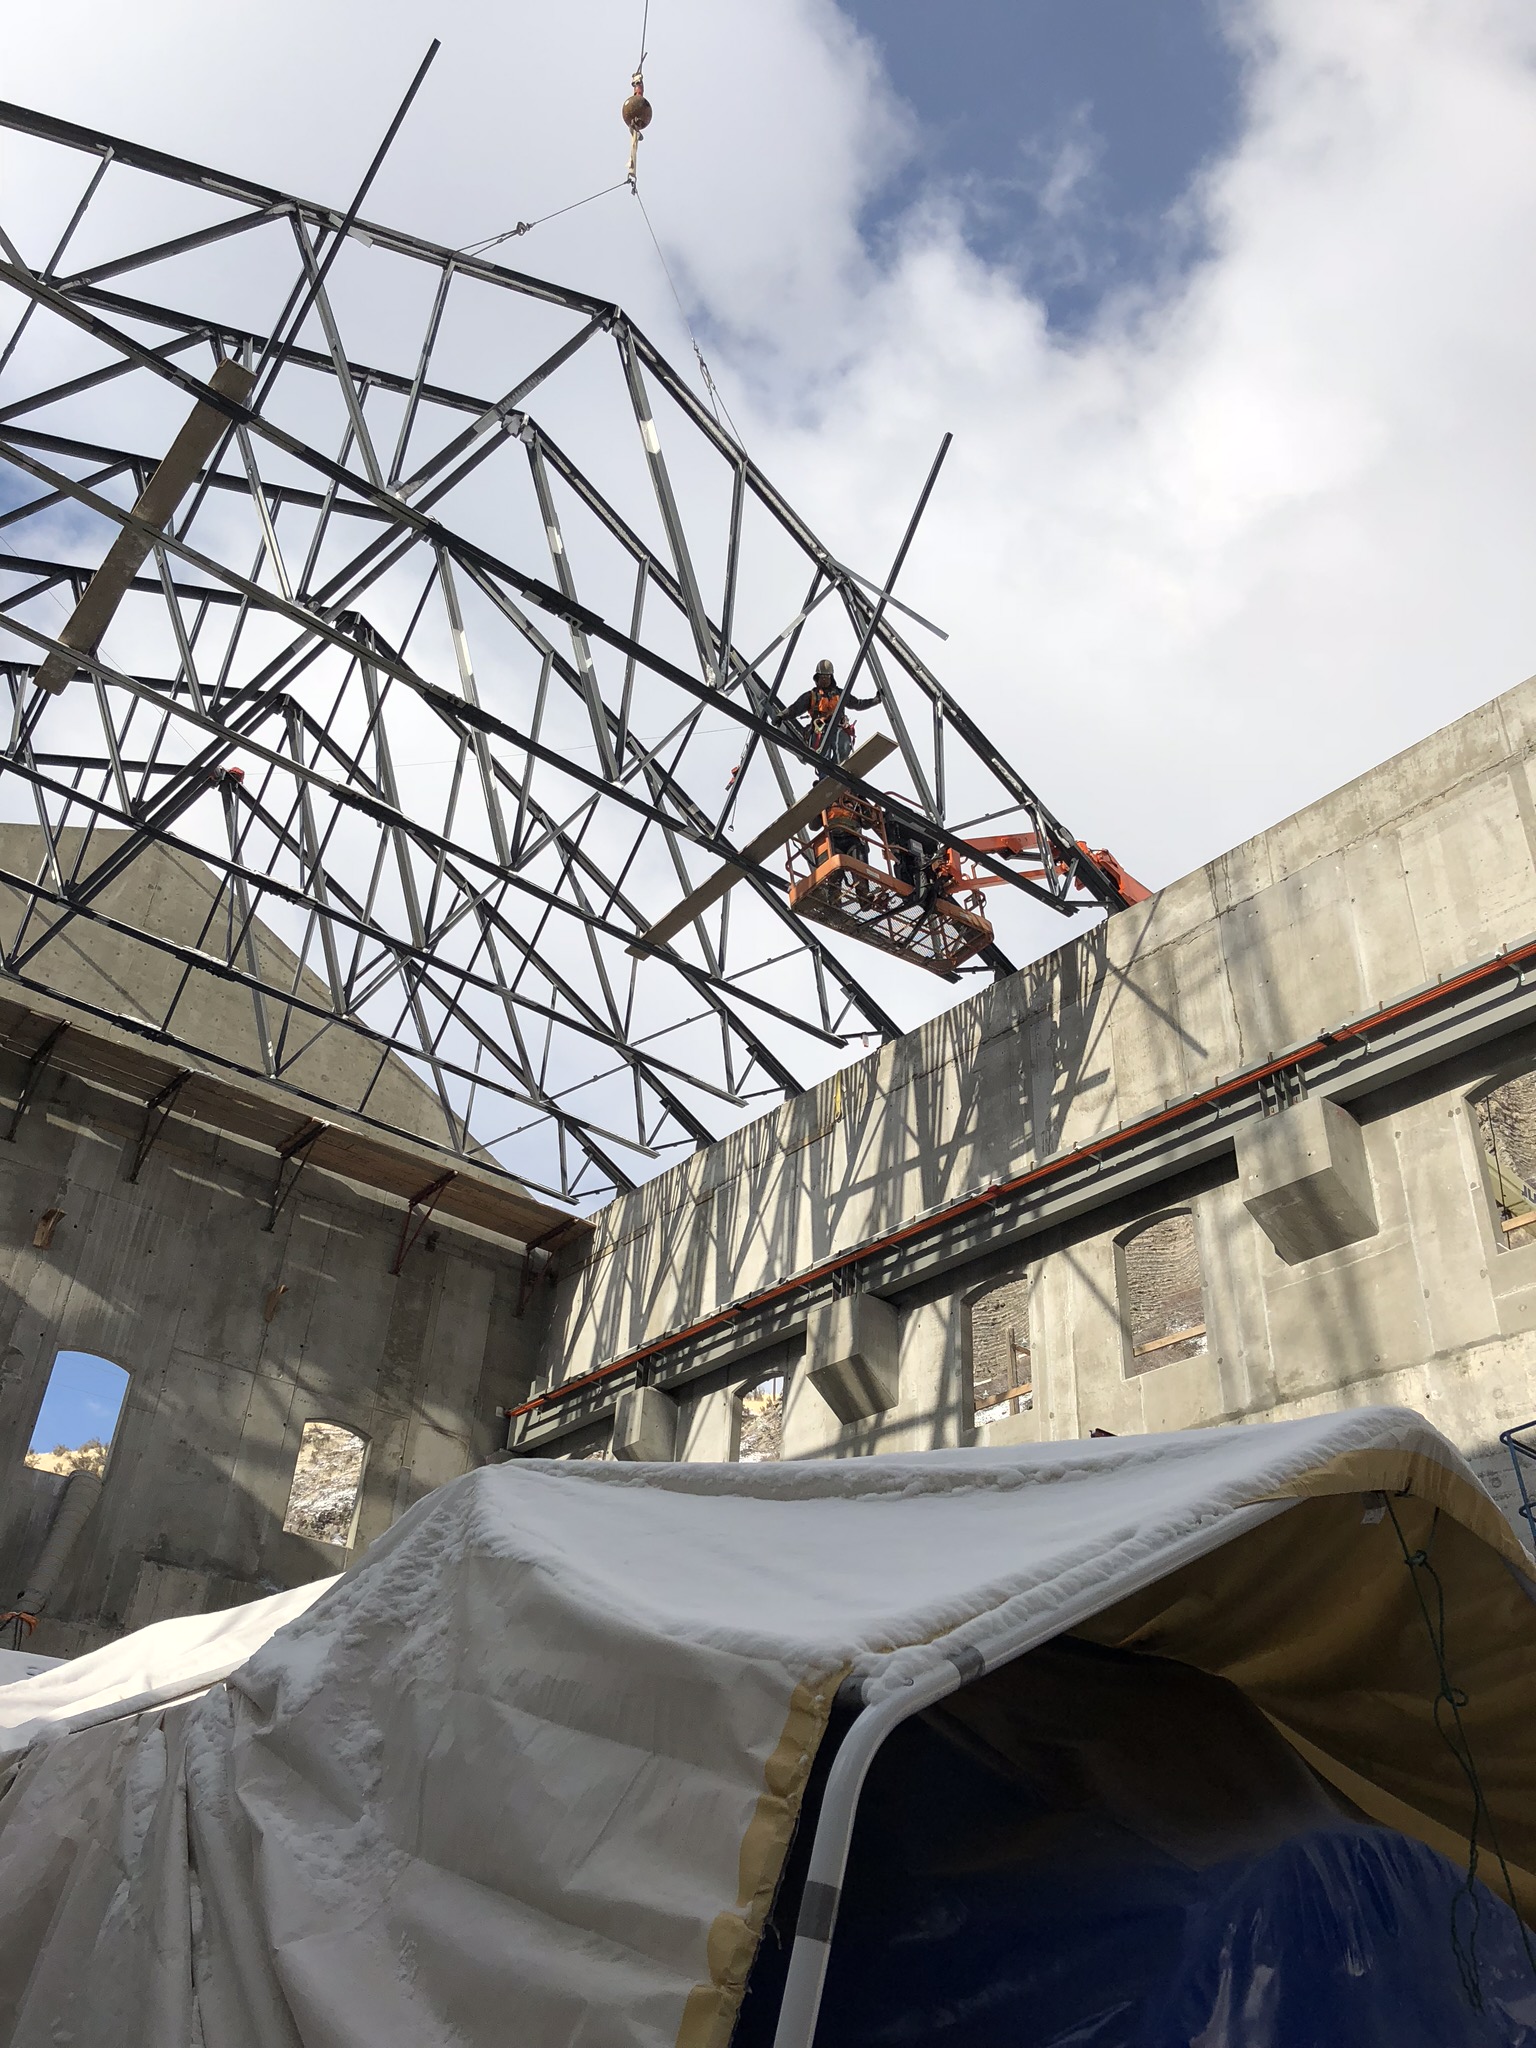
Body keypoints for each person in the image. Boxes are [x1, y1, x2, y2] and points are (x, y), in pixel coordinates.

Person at [784, 659, 879, 766]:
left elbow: (857, 704)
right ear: (818, 678)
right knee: (821, 756)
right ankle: (824, 775)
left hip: (838, 728)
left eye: (827, 677)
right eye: (822, 677)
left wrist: (875, 700)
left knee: (843, 747)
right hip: (819, 731)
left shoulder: (839, 694)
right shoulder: (811, 696)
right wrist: (782, 716)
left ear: (831, 677)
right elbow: (795, 708)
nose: (824, 680)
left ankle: (839, 768)